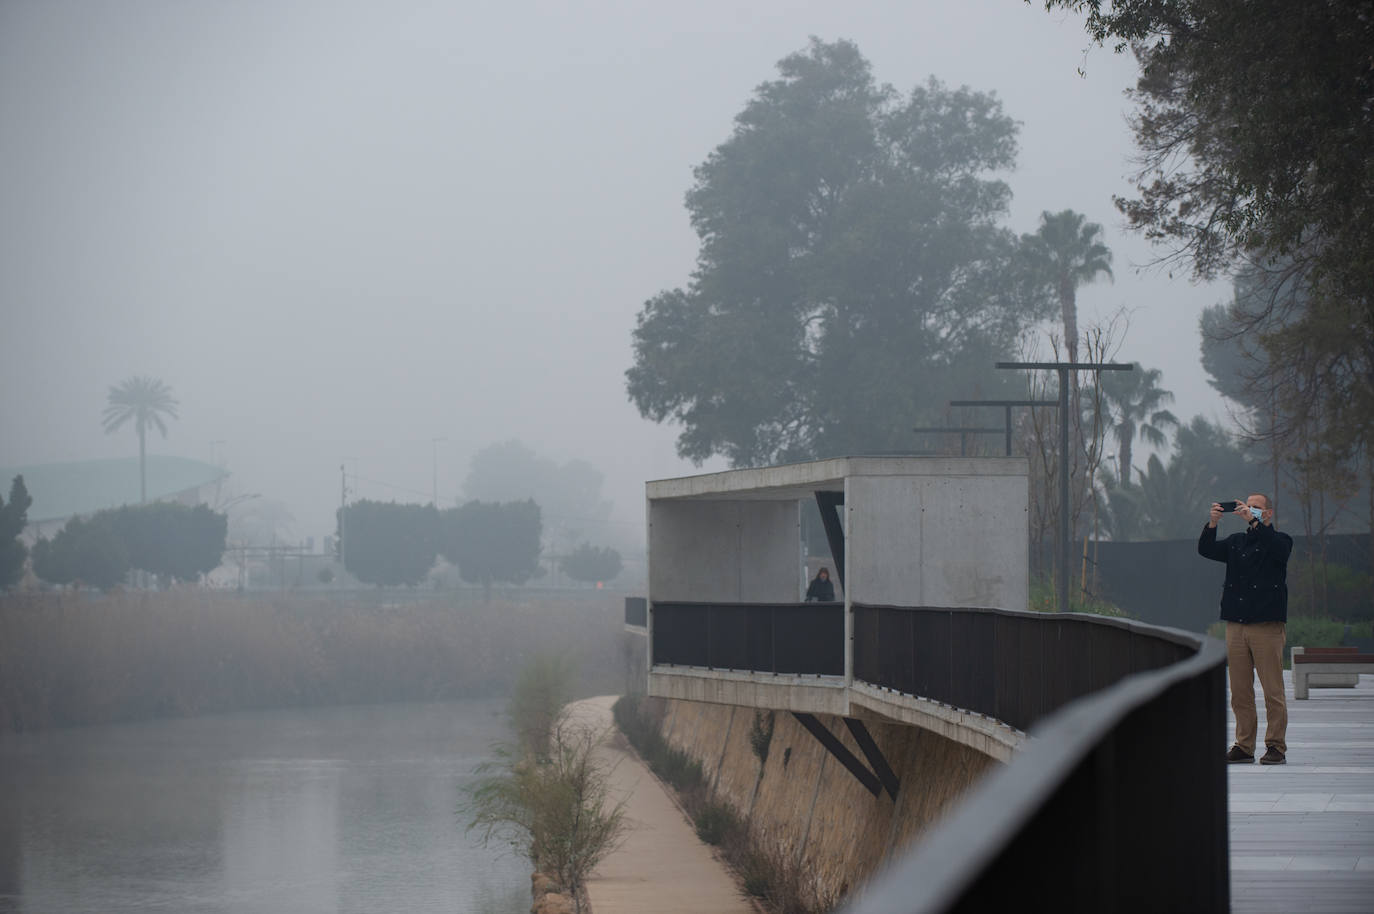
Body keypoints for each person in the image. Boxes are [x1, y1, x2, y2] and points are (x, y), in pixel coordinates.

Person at [1198, 494, 1293, 765]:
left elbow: (1277, 550)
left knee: (1272, 690)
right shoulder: (1236, 543)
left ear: (1268, 513)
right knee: (1239, 691)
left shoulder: (1280, 540)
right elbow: (1206, 550)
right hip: (1236, 625)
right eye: (1247, 505)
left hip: (1267, 625)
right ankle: (1244, 745)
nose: (1250, 510)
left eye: (1256, 507)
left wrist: (1253, 522)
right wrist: (1213, 523)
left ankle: (1276, 746)